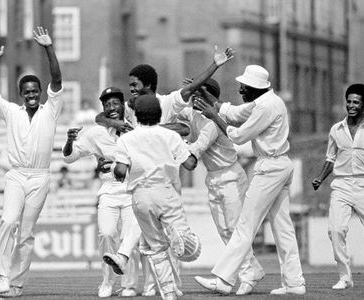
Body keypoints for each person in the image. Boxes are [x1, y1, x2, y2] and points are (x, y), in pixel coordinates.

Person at [193, 65, 306, 295]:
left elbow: (238, 135)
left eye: (244, 86)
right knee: (282, 227)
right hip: (279, 164)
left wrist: (214, 116)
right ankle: (295, 284)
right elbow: (233, 113)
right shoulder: (265, 101)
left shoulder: (265, 107)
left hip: (270, 167)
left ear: (255, 88)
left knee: (245, 225)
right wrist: (206, 95)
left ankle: (224, 279)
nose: (241, 89)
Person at [0, 27, 63, 297]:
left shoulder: (50, 109)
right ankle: (2, 276)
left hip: (40, 176)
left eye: (35, 90)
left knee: (26, 234)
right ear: (21, 93)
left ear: (41, 91)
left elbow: (58, 79)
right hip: (16, 175)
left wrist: (48, 48)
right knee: (8, 221)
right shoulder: (11, 111)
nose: (31, 94)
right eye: (26, 91)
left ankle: (16, 283)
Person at [176, 79, 264, 295]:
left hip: (231, 176)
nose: (194, 99)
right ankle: (252, 270)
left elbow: (198, 147)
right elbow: (175, 115)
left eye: (199, 95)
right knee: (225, 231)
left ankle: (241, 276)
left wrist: (176, 145)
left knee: (235, 229)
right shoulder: (193, 114)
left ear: (208, 98)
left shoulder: (215, 121)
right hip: (213, 178)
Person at [113, 95, 201, 300]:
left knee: (156, 248)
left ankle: (168, 293)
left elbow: (120, 171)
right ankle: (179, 236)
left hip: (140, 197)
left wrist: (119, 171)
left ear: (137, 115)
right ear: (159, 114)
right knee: (183, 237)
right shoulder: (170, 136)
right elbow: (189, 164)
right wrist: (193, 152)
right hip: (166, 190)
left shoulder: (126, 138)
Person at [62, 87, 142, 298]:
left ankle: (129, 285)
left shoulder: (135, 127)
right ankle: (107, 282)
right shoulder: (96, 133)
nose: (111, 108)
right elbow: (70, 157)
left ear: (123, 105)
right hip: (108, 189)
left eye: (115, 103)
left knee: (128, 238)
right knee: (106, 234)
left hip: (132, 189)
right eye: (107, 105)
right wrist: (70, 141)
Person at [312, 83, 364, 289]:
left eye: (356, 102)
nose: (351, 105)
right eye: (349, 101)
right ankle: (345, 277)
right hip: (341, 185)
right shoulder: (336, 129)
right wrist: (320, 178)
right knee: (335, 230)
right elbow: (330, 158)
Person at [96, 46, 235, 136]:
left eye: (135, 85)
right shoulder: (130, 106)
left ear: (148, 84)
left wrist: (214, 65)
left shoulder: (167, 102)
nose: (131, 89)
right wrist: (115, 123)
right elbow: (100, 117)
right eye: (130, 85)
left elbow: (190, 89)